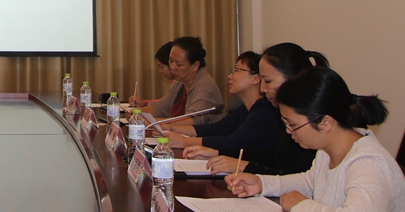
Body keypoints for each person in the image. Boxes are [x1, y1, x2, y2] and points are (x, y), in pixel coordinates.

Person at [226, 67, 405, 210]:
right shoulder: (327, 150)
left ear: (325, 122)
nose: (289, 131)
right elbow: (310, 182)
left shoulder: (368, 163)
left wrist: (302, 206)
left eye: (292, 124)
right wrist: (262, 183)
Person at [184, 42, 329, 175]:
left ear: (292, 79)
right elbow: (270, 155)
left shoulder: (306, 119)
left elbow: (297, 178)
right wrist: (218, 153)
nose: (262, 89)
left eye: (268, 81)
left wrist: (242, 165)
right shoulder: (276, 112)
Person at [164, 51, 281, 150]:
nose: (230, 76)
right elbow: (216, 129)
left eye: (237, 70)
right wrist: (172, 128)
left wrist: (185, 142)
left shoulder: (264, 111)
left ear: (256, 78)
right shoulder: (245, 109)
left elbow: (233, 143)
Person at [136, 36, 224, 125]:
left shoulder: (205, 86)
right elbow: (159, 108)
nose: (172, 67)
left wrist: (150, 122)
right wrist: (137, 114)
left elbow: (191, 121)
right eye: (171, 61)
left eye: (179, 64)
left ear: (195, 65)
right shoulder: (180, 82)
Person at [128, 41, 174, 107]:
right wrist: (144, 103)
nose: (160, 71)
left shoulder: (181, 83)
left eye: (161, 67)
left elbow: (167, 105)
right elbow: (165, 103)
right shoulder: (176, 82)